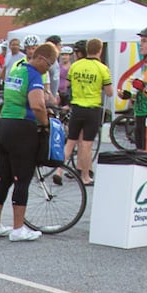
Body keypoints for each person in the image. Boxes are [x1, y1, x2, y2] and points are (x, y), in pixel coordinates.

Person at [0, 41, 55, 242]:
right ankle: (18, 229)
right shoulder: (34, 75)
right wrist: (44, 125)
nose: (48, 69)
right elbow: (38, 105)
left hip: (3, 125)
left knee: (2, 177)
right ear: (41, 58)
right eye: (49, 64)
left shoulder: (16, 70)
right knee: (22, 178)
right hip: (21, 127)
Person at [65, 38, 111, 186]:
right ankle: (85, 176)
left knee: (71, 141)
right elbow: (109, 92)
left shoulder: (75, 65)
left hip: (77, 107)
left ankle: (58, 169)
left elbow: (68, 84)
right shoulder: (102, 68)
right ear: (100, 50)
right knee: (86, 144)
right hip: (92, 108)